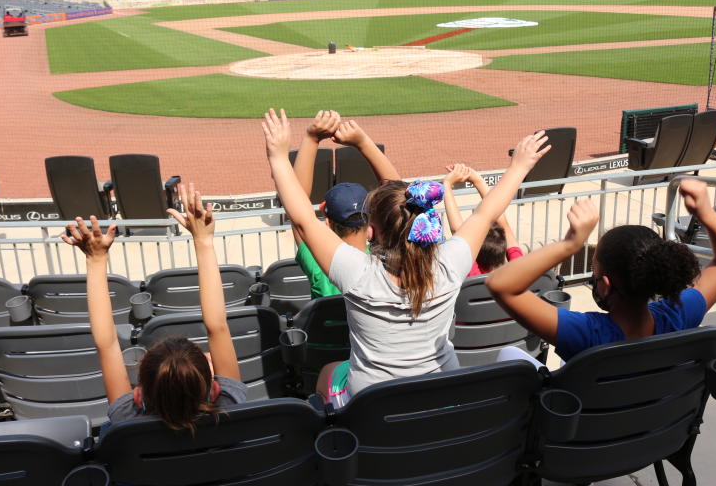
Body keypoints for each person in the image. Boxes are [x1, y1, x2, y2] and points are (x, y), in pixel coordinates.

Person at [261, 108, 550, 407]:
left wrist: (279, 156)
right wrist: (519, 167)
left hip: (371, 404)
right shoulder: (449, 263)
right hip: (442, 393)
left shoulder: (357, 273)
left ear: (371, 231)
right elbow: (484, 211)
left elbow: (303, 219)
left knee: (329, 373)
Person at [486, 179, 716, 364]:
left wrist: (570, 244)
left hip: (589, 436)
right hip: (659, 433)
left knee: (511, 357)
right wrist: (707, 214)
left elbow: (500, 284)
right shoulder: (678, 316)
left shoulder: (585, 334)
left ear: (605, 285)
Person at [61, 183, 246, 430]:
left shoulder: (127, 419)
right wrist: (204, 241)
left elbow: (106, 344)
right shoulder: (230, 406)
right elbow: (217, 326)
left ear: (137, 396)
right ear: (215, 389)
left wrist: (96, 260)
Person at [291, 110, 400, 298]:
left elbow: (296, 201)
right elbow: (398, 197)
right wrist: (363, 142)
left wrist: (312, 138)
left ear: (328, 223)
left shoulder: (319, 263)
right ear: (370, 225)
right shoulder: (385, 259)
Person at [442, 163, 525, 276]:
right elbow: (503, 224)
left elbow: (458, 232)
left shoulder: (474, 275)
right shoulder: (518, 271)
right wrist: (478, 180)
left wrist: (447, 184)